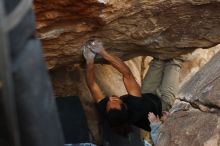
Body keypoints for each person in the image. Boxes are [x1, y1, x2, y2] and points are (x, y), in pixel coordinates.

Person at [83, 39, 163, 137]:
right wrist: (102, 52)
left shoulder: (108, 113)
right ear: (124, 106)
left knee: (159, 61)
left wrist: (89, 60)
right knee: (174, 63)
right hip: (162, 106)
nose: (111, 98)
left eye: (108, 102)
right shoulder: (136, 105)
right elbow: (127, 74)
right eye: (115, 100)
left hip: (146, 96)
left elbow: (91, 84)